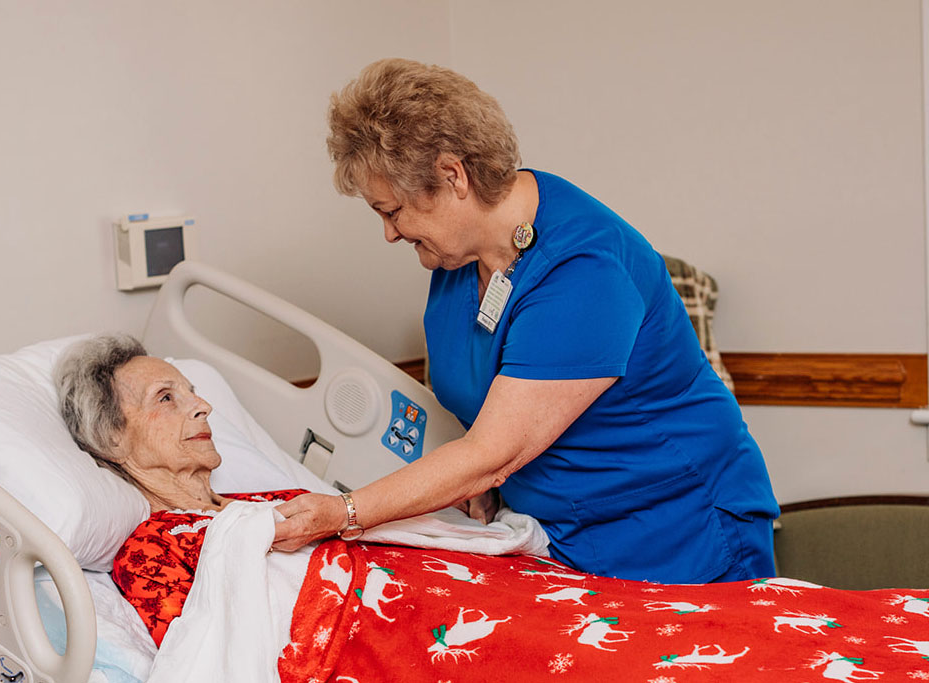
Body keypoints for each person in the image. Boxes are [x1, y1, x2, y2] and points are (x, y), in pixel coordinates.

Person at [272, 57, 779, 584]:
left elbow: (492, 451)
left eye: (392, 211)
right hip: (563, 532)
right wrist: (483, 480)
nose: (389, 233)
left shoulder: (584, 269)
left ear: (452, 176)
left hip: (679, 526)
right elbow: (490, 418)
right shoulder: (456, 260)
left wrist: (344, 513)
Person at [54, 334, 309, 644]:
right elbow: (211, 658)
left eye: (193, 394)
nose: (204, 407)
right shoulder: (153, 552)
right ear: (111, 437)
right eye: (165, 398)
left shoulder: (283, 500)